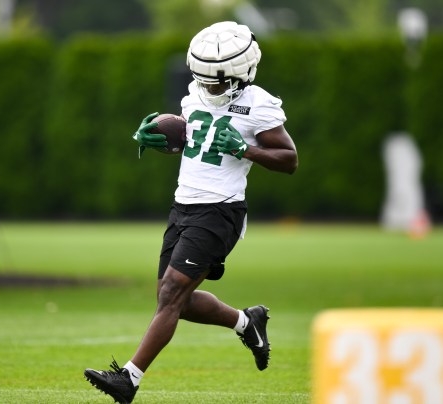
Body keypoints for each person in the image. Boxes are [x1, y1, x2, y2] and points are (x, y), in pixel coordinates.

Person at [84, 21, 298, 403]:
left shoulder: (260, 104)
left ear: (242, 73)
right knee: (172, 302)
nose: (209, 88)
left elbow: (289, 160)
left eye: (217, 82)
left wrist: (246, 150)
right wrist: (159, 138)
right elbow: (195, 145)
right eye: (204, 80)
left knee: (170, 294)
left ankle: (128, 379)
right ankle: (246, 321)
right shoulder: (192, 96)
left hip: (220, 211)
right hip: (183, 205)